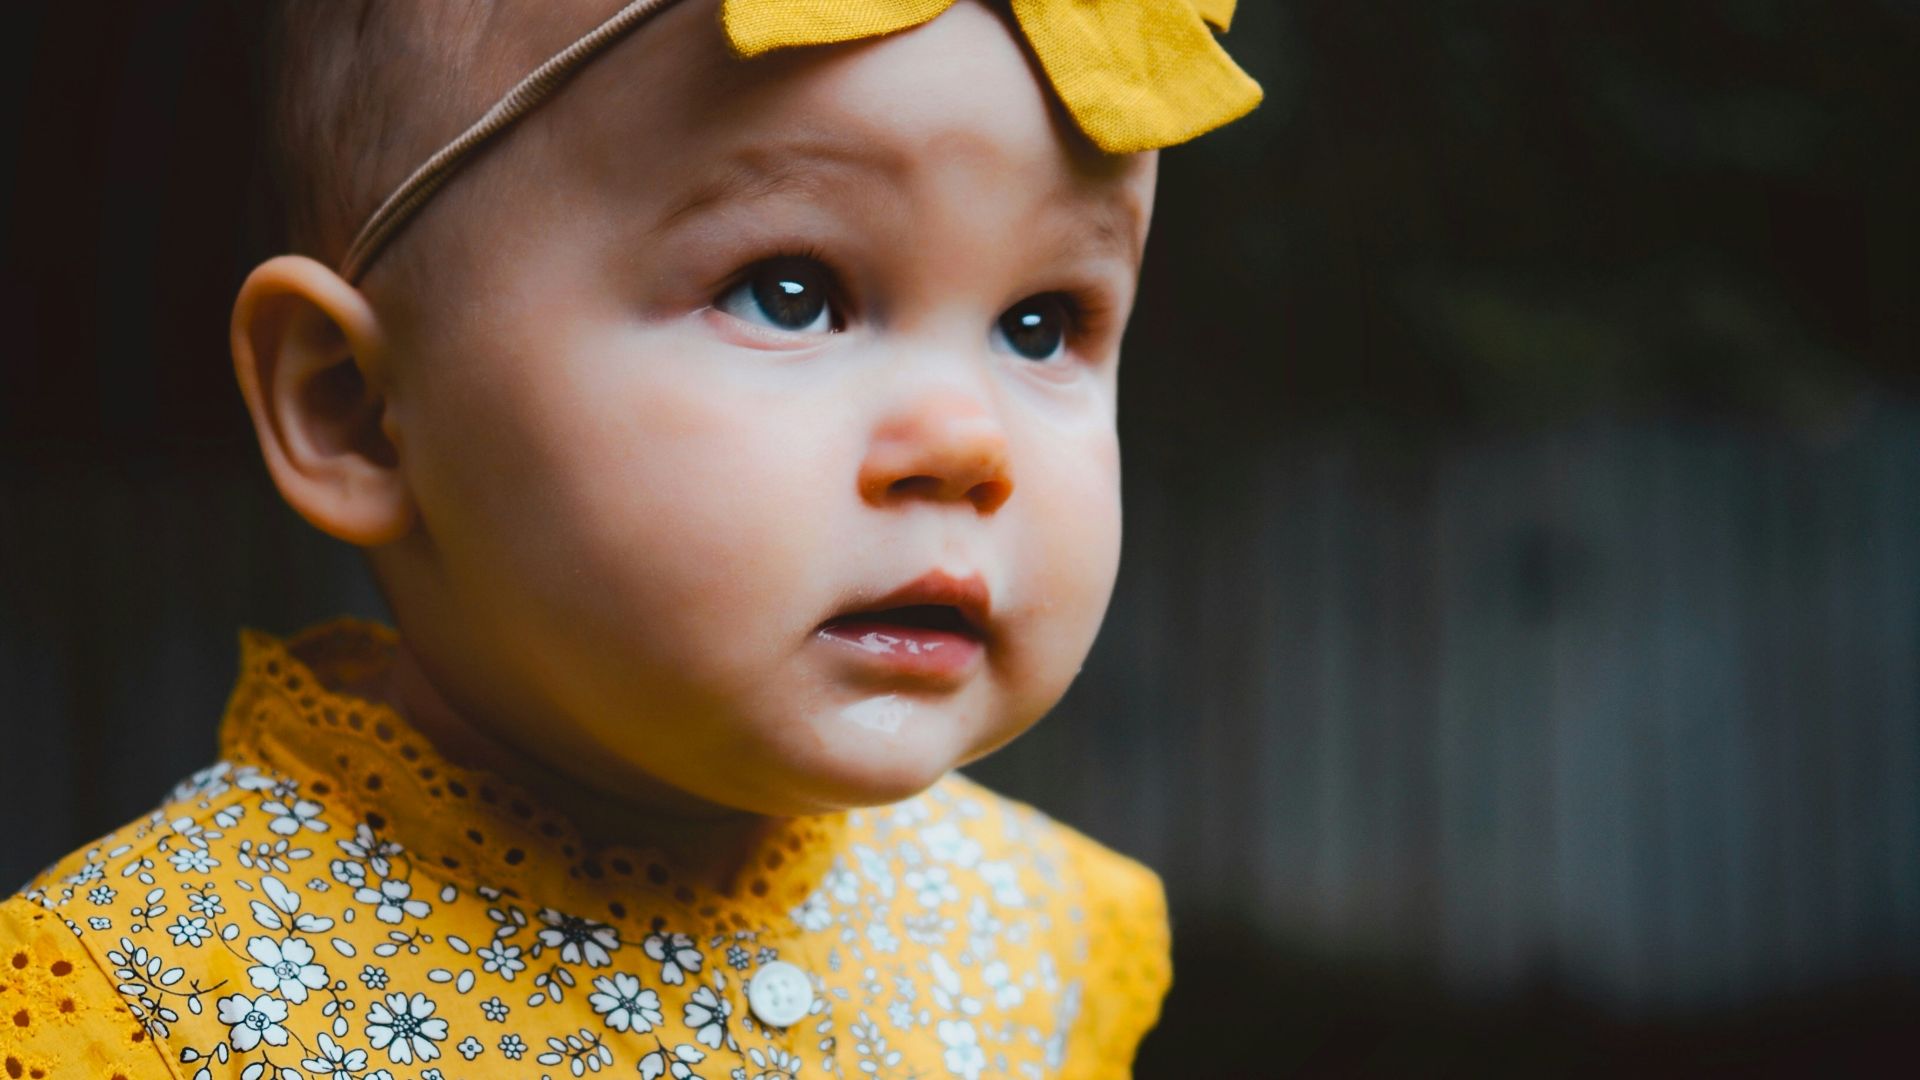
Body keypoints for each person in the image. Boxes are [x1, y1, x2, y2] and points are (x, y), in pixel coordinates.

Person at [0, 1, 1258, 1075]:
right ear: (361, 411)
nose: (964, 441)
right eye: (791, 292)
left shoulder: (1030, 942)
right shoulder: (147, 1009)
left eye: (1043, 323)